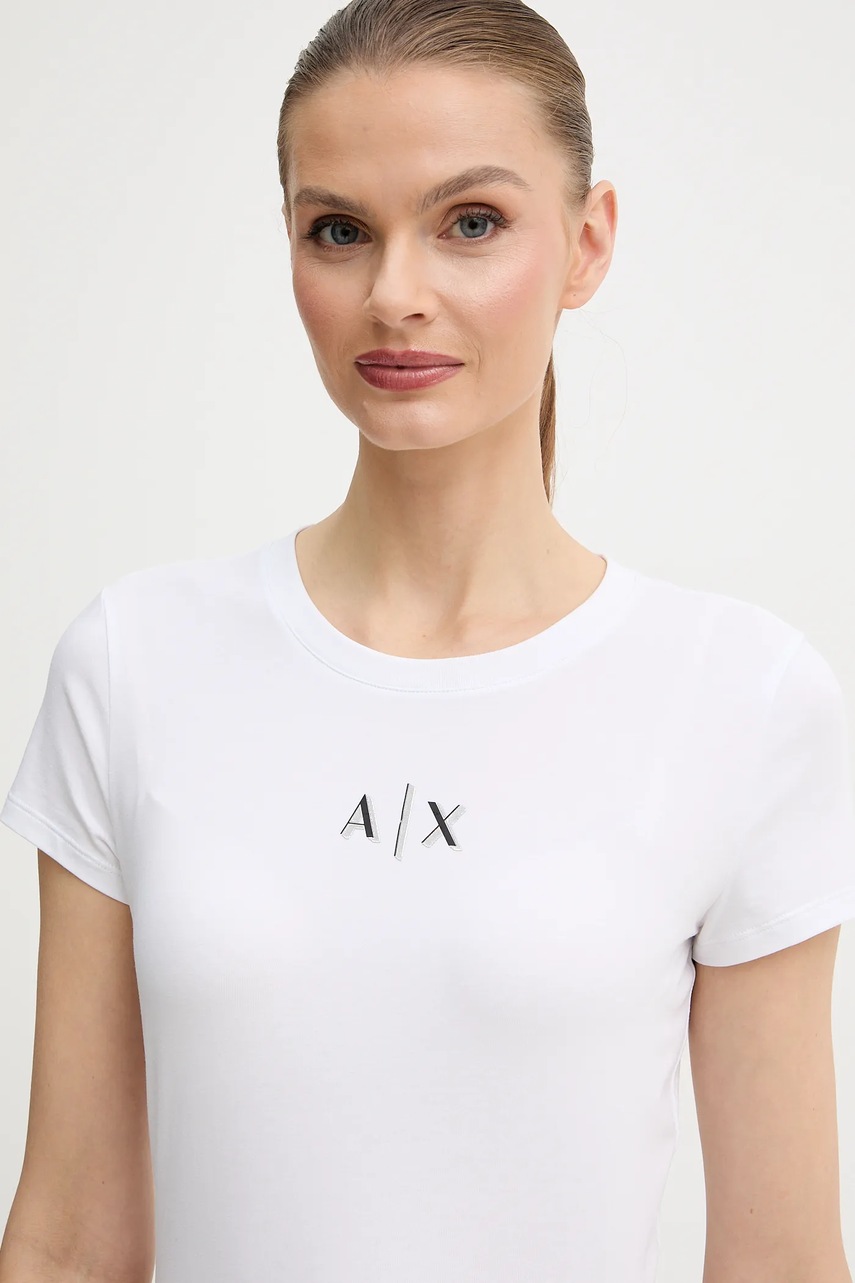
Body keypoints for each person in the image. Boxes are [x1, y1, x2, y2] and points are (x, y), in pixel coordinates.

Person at [2, 1, 854, 1280]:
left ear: (587, 242)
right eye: (339, 230)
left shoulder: (740, 695)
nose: (395, 294)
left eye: (471, 222)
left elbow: (782, 1261)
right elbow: (69, 1240)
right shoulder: (134, 663)